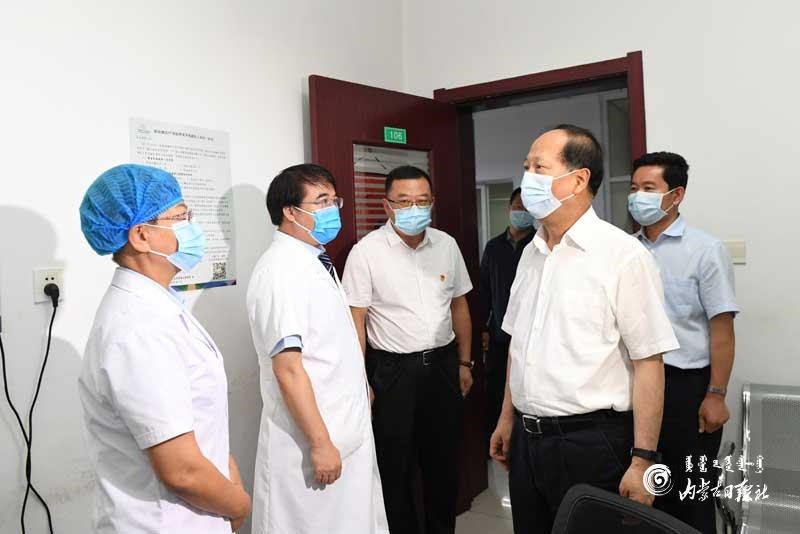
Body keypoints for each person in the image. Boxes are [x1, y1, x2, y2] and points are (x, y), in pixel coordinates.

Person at [489, 125, 680, 534]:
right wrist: (507, 418)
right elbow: (520, 347)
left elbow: (649, 362)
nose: (527, 178)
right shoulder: (530, 254)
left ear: (578, 179)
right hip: (527, 440)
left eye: (539, 167)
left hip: (591, 443)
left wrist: (643, 459)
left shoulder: (623, 256)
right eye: (526, 167)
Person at [78, 164, 251, 533]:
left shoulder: (159, 305)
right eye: (181, 217)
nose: (192, 227)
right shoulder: (140, 329)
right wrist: (240, 505)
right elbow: (182, 471)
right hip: (162, 523)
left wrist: (229, 477)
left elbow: (199, 418)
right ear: (141, 235)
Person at [246, 164, 387, 534]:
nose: (332, 210)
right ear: (290, 212)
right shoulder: (280, 271)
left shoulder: (314, 260)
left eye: (334, 200)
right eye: (321, 201)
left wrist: (360, 386)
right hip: (312, 445)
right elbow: (287, 368)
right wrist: (320, 443)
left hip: (344, 427)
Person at [342, 165, 474, 534]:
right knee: (394, 466)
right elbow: (356, 320)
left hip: (443, 367)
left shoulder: (446, 245)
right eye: (403, 201)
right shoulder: (366, 253)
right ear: (386, 205)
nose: (414, 208)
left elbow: (459, 306)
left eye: (422, 200)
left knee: (443, 463)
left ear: (432, 202)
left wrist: (465, 362)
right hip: (392, 373)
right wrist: (360, 379)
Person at [629, 151, 738, 534]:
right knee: (643, 490)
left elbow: (722, 329)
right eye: (634, 188)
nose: (637, 197)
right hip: (636, 384)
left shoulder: (705, 250)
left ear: (676, 195)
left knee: (690, 495)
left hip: (686, 387)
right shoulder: (626, 249)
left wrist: (716, 394)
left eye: (648, 188)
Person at [479, 187, 535, 440]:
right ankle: (496, 441)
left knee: (526, 392)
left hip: (531, 337)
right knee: (495, 391)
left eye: (527, 209)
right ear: (509, 208)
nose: (521, 212)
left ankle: (522, 441)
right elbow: (484, 290)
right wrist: (483, 327)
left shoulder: (538, 245)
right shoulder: (493, 247)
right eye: (518, 207)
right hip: (499, 336)